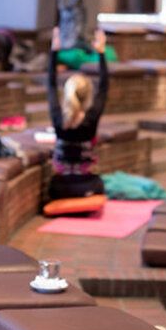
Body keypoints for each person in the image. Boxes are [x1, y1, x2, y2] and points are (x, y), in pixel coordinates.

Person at [46, 26, 109, 200]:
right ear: (88, 96)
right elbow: (104, 88)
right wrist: (101, 53)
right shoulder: (91, 118)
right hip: (89, 186)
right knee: (101, 183)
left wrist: (54, 52)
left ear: (67, 94)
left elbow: (50, 85)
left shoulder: (59, 118)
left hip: (60, 189)